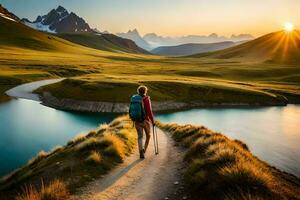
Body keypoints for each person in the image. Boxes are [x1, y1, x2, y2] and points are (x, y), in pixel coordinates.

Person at [129, 85, 155, 159]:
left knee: (140, 137)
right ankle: (144, 150)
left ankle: (141, 152)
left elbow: (131, 109)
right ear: (145, 91)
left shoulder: (135, 99)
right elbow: (149, 112)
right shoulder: (147, 99)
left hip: (137, 121)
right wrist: (153, 122)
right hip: (145, 121)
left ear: (138, 91)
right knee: (148, 135)